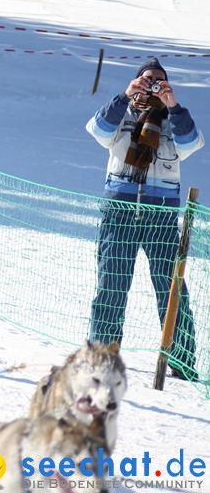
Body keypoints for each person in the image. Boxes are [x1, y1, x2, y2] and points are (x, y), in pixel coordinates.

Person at [85, 57, 204, 381]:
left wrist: (173, 105)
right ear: (136, 81)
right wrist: (125, 95)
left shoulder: (173, 121)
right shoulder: (121, 115)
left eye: (159, 80)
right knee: (112, 284)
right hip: (120, 212)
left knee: (171, 288)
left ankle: (180, 361)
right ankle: (101, 358)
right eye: (147, 78)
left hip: (161, 216)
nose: (152, 84)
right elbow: (97, 129)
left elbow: (193, 144)